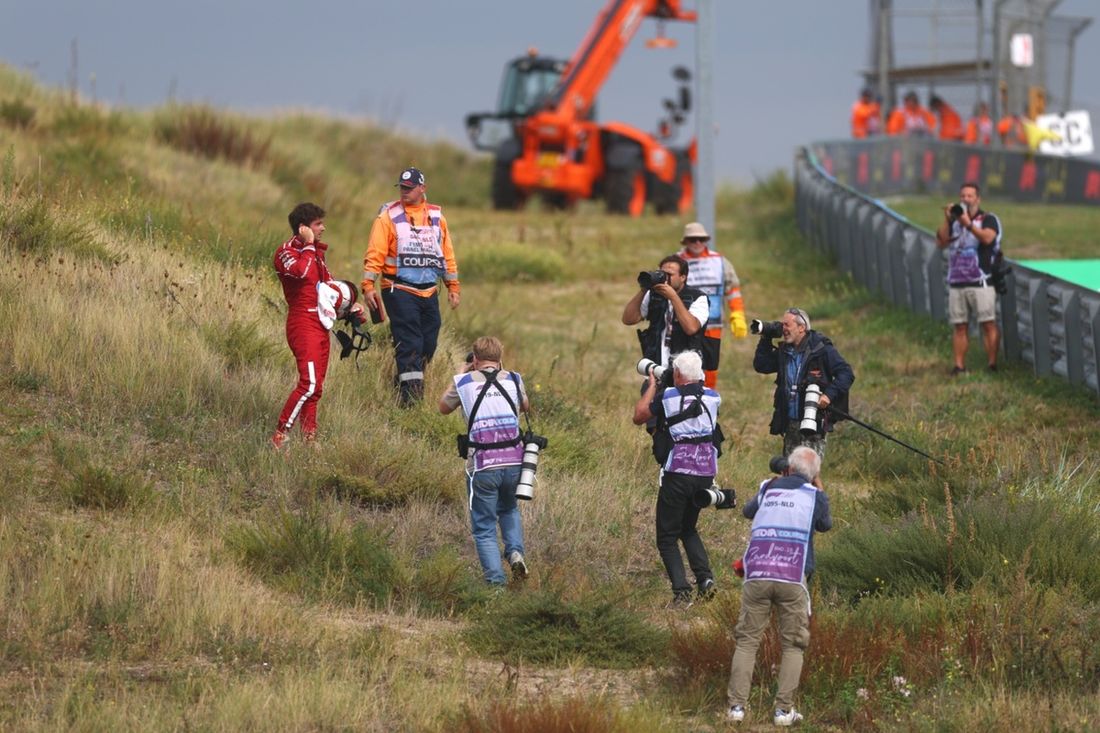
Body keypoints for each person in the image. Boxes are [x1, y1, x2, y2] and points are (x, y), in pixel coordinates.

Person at [725, 446, 832, 727]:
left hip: (758, 573)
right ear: (814, 474)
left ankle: (736, 708)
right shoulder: (815, 496)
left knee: (747, 641)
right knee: (793, 645)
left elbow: (748, 512)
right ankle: (783, 711)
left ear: (789, 467)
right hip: (793, 576)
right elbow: (826, 525)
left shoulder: (768, 487)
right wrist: (819, 486)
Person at [362, 167, 460, 406]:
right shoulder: (387, 217)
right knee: (411, 343)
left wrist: (453, 287)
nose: (404, 191)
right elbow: (375, 252)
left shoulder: (437, 218)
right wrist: (368, 285)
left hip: (429, 291)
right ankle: (411, 402)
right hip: (398, 289)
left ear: (422, 188)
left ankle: (403, 382)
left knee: (428, 343)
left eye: (409, 188)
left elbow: (446, 254)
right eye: (402, 188)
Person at [272, 203, 365, 449]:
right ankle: (280, 436)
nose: (323, 228)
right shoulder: (286, 252)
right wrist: (309, 244)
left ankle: (309, 439)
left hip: (320, 324)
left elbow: (326, 287)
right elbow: (301, 273)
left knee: (316, 388)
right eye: (318, 224)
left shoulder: (315, 254)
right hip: (303, 323)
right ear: (303, 228)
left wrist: (349, 307)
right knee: (309, 383)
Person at [439, 336, 531, 585]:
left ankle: (496, 585)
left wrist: (459, 373)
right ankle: (515, 553)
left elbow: (443, 407)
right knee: (509, 509)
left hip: (483, 465)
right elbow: (525, 406)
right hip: (515, 462)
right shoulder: (514, 379)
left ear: (475, 359)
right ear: (500, 359)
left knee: (484, 528)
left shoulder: (463, 382)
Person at [632, 350, 720, 606]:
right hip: (705, 472)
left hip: (678, 473)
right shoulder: (714, 397)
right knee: (688, 528)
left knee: (667, 536)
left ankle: (682, 592)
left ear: (678, 374)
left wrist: (653, 385)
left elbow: (639, 416)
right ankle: (705, 579)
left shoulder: (668, 396)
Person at [753, 308, 854, 460]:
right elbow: (761, 365)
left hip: (813, 420)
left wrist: (828, 395)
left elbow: (846, 373)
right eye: (782, 324)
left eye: (787, 325)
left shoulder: (820, 348)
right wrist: (766, 337)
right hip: (790, 423)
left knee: (808, 469)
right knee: (790, 469)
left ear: (801, 327)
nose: (783, 329)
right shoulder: (785, 351)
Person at [935, 182, 1003, 374]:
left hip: (981, 281)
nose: (965, 199)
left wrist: (969, 225)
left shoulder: (988, 218)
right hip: (957, 282)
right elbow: (940, 242)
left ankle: (992, 364)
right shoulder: (954, 222)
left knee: (987, 324)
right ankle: (959, 366)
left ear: (977, 199)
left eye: (969, 196)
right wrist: (948, 220)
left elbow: (988, 238)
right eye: (962, 196)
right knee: (959, 326)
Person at [676, 222, 748, 388]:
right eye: (693, 239)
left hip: (712, 325)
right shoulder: (676, 262)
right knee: (682, 364)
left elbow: (732, 289)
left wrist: (737, 314)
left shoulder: (720, 261)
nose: (697, 243)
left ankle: (707, 397)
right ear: (685, 241)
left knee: (710, 366)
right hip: (683, 324)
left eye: (701, 239)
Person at [622, 254, 708, 378]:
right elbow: (628, 319)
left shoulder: (698, 298)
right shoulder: (653, 294)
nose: (665, 278)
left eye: (670, 274)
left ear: (683, 277)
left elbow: (691, 328)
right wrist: (644, 289)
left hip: (686, 371)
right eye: (662, 273)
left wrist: (673, 297)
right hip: (655, 366)